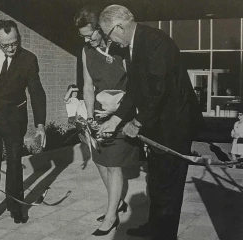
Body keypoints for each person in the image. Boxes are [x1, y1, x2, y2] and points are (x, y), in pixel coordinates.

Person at [98, 5, 205, 240]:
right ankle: (154, 228)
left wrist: (136, 122)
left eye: (108, 35)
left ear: (119, 27)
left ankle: (165, 235)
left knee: (169, 186)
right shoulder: (135, 45)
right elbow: (134, 91)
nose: (111, 42)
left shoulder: (156, 42)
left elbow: (159, 89)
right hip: (158, 123)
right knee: (156, 181)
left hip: (175, 126)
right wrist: (115, 120)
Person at [74, 5, 142, 236]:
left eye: (90, 34)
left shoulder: (121, 50)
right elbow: (87, 87)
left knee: (113, 165)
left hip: (121, 115)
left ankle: (111, 215)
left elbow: (135, 85)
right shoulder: (86, 52)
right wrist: (90, 117)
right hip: (99, 115)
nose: (87, 40)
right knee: (100, 161)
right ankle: (118, 203)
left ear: (101, 29)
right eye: (82, 36)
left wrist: (122, 114)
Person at [0, 20, 46, 224]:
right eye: (6, 45)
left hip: (13, 119)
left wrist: (40, 125)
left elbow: (37, 93)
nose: (12, 48)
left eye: (15, 42)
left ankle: (16, 207)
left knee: (14, 164)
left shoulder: (28, 59)